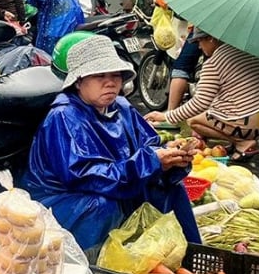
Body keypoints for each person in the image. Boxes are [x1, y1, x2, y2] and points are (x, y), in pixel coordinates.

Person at [23, 34, 201, 250]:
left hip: (115, 181)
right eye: (100, 76)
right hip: (62, 197)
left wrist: (170, 156)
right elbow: (86, 176)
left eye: (115, 75)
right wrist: (151, 162)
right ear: (79, 81)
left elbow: (149, 146)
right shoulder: (64, 116)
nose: (110, 83)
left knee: (169, 186)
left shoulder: (122, 107)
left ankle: (190, 254)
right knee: (103, 206)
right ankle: (96, 267)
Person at [146, 28, 259, 161]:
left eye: (200, 41)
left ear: (211, 39)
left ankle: (243, 143)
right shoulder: (246, 52)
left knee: (194, 120)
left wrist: (166, 116)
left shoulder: (214, 62)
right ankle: (239, 142)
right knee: (218, 109)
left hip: (250, 121)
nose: (199, 46)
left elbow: (200, 103)